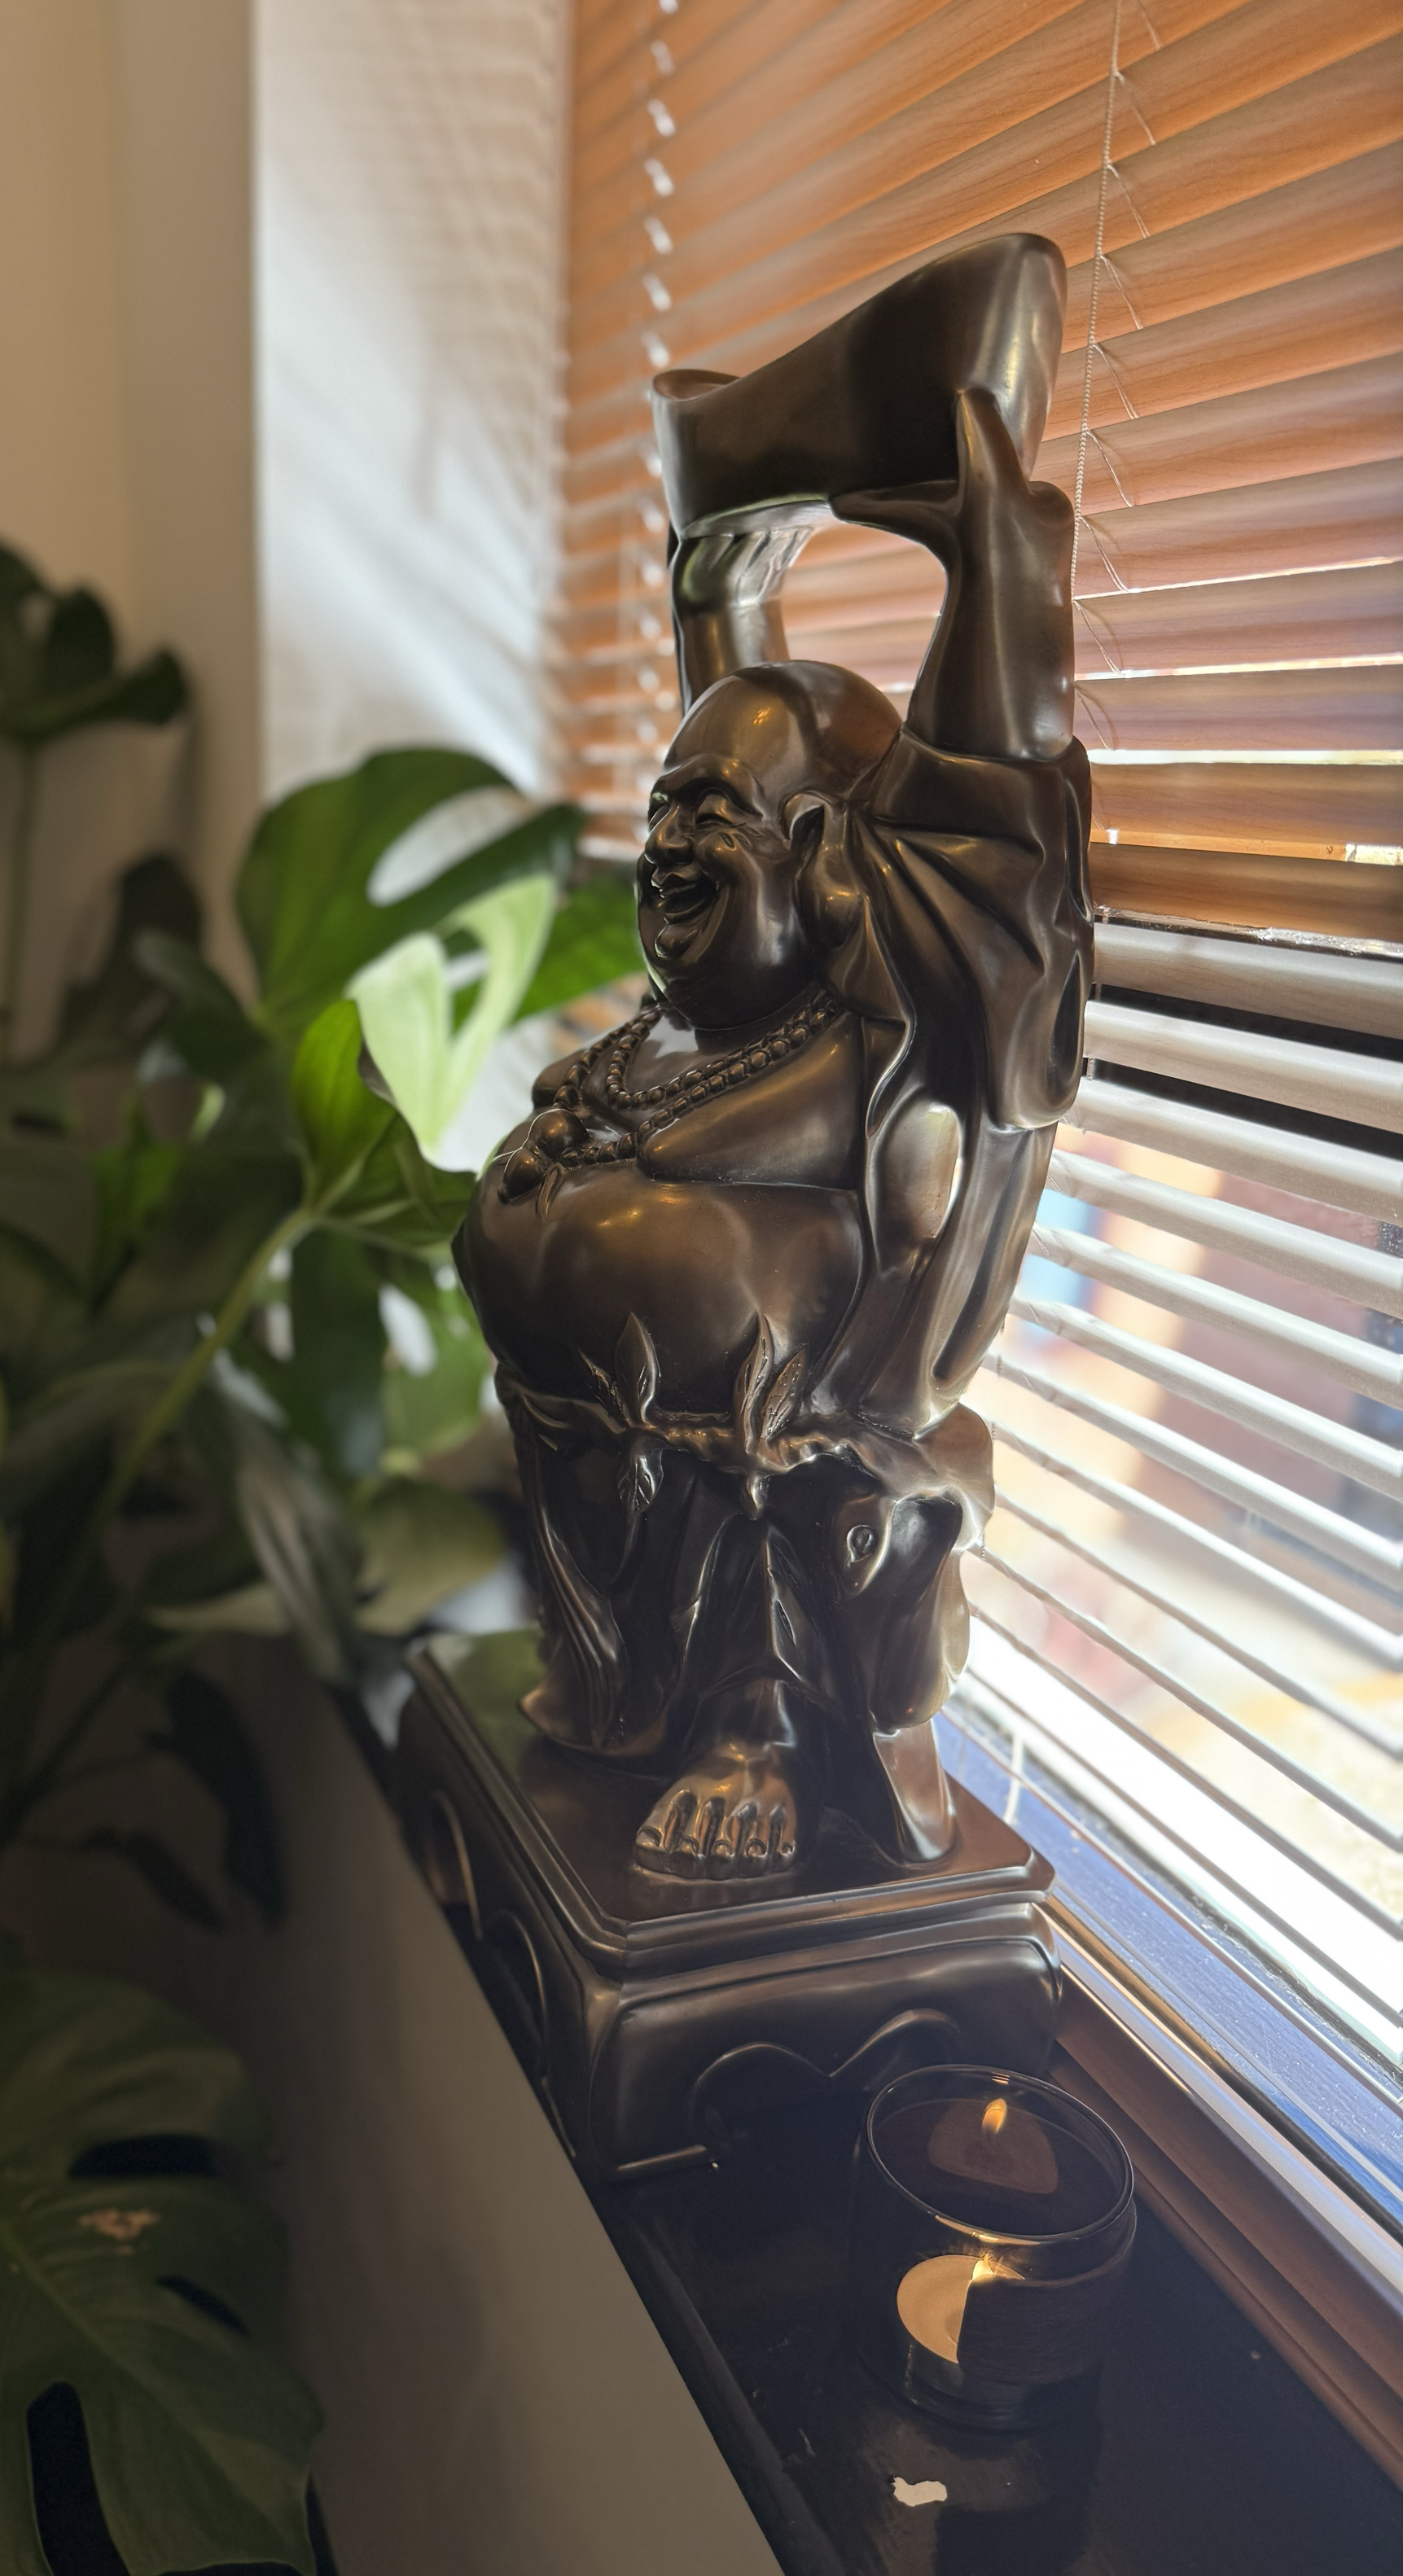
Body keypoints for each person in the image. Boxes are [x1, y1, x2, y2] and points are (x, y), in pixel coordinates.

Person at [454, 387, 1092, 1879]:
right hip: (593, 1566)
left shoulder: (895, 1044)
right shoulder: (689, 1032)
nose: (668, 844)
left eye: (712, 818)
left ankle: (760, 1733)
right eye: (662, 808)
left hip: (779, 1564)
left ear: (825, 857)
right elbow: (743, 731)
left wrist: (992, 556)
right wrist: (723, 579)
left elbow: (983, 818)